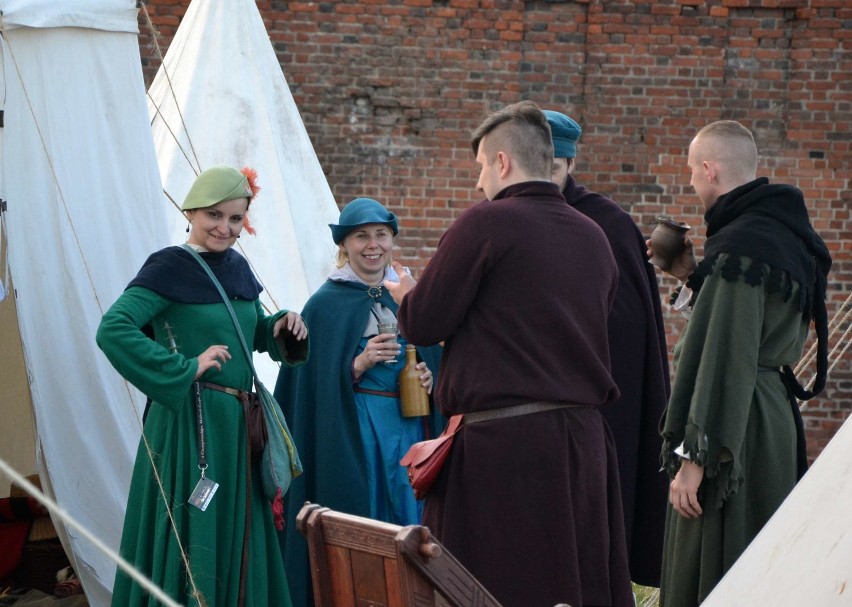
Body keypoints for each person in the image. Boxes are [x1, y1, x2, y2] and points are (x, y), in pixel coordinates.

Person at [385, 100, 633, 607]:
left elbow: (424, 323)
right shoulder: (595, 236)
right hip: (580, 447)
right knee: (572, 589)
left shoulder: (485, 224)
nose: (478, 183)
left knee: (490, 590)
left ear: (502, 162)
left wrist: (407, 294)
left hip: (503, 453)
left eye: (480, 167)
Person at [96, 165, 308, 607]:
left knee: (238, 535)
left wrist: (280, 327)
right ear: (190, 211)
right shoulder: (169, 266)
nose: (224, 228)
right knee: (192, 536)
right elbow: (114, 328)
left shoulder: (237, 268)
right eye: (214, 215)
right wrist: (184, 367)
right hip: (190, 431)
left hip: (237, 433)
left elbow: (248, 333)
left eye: (235, 218)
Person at [651, 121, 831, 605]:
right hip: (769, 420)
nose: (691, 183)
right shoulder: (784, 233)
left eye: (692, 172)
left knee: (721, 569)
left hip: (735, 428)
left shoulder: (743, 245)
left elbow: (726, 353)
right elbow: (751, 325)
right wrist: (693, 274)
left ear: (710, 170)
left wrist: (695, 459)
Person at [273, 197, 443, 607]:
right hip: (356, 430)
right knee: (363, 514)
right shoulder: (326, 304)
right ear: (344, 246)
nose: (373, 245)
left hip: (410, 429)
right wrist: (356, 365)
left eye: (381, 235)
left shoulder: (410, 295)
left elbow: (443, 355)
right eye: (360, 236)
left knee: (412, 514)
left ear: (392, 240)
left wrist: (431, 376)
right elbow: (306, 385)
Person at [544, 109, 671, 587]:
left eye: (556, 168)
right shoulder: (511, 216)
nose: (548, 179)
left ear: (570, 164)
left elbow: (624, 327)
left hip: (598, 404)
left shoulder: (605, 221)